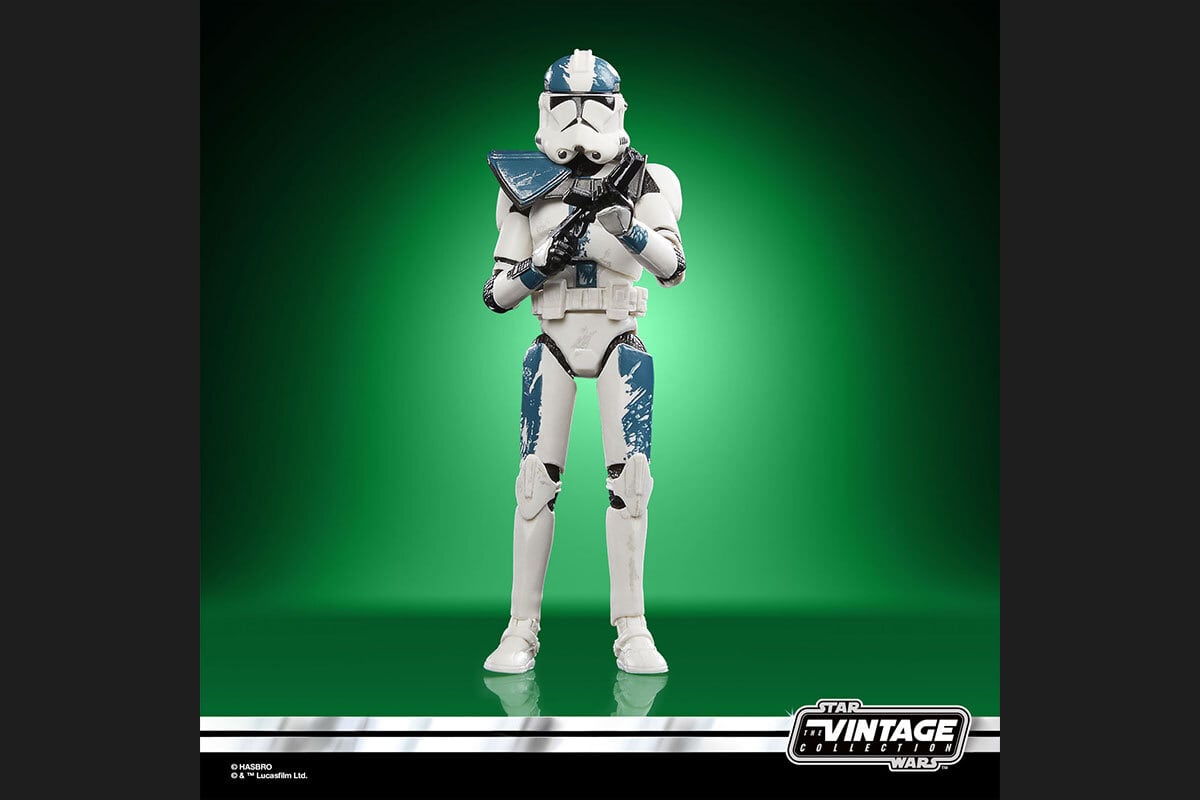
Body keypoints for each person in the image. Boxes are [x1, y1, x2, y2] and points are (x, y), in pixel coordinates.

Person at [481, 50, 686, 676]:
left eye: (592, 107)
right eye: (567, 107)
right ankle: (520, 629)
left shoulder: (647, 180)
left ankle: (633, 629)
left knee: (632, 484)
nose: (579, 120)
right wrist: (541, 263)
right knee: (534, 487)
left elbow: (673, 267)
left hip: (620, 337)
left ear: (614, 110)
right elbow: (496, 293)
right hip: (554, 340)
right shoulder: (525, 187)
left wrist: (629, 231)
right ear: (548, 110)